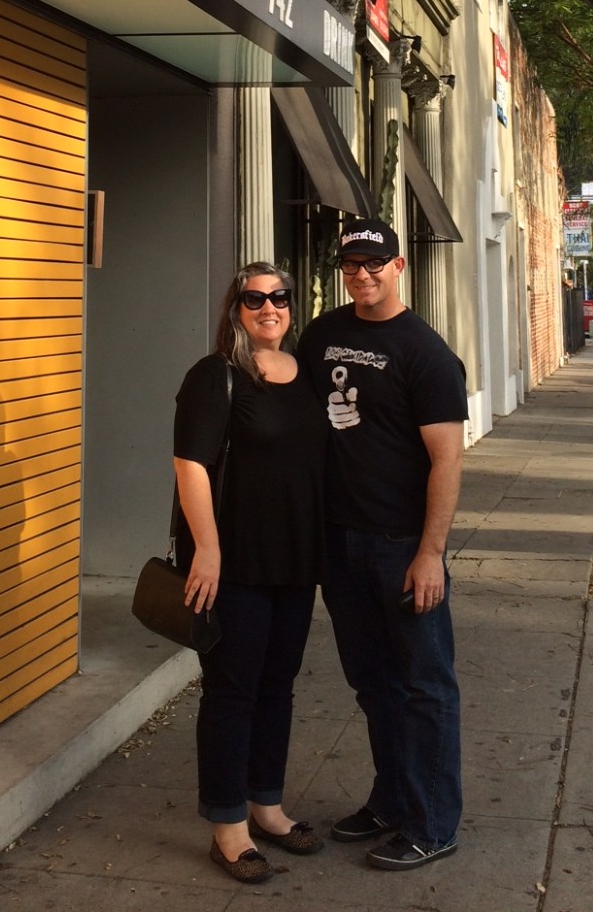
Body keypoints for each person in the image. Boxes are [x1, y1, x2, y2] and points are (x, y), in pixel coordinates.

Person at [297, 217, 468, 872]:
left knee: (425, 687)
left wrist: (431, 552)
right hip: (341, 544)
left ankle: (433, 822)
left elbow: (447, 460)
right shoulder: (323, 334)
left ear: (399, 267)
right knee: (374, 684)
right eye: (352, 264)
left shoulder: (425, 352)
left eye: (375, 263)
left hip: (402, 546)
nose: (362, 274)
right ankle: (393, 798)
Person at [173, 262, 328, 884]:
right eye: (255, 298)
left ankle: (267, 805)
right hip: (232, 562)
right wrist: (206, 549)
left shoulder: (307, 374)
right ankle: (228, 826)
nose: (269, 308)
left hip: (294, 558)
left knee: (278, 684)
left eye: (279, 297)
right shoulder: (216, 377)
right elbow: (190, 466)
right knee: (233, 689)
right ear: (235, 309)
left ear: (292, 305)